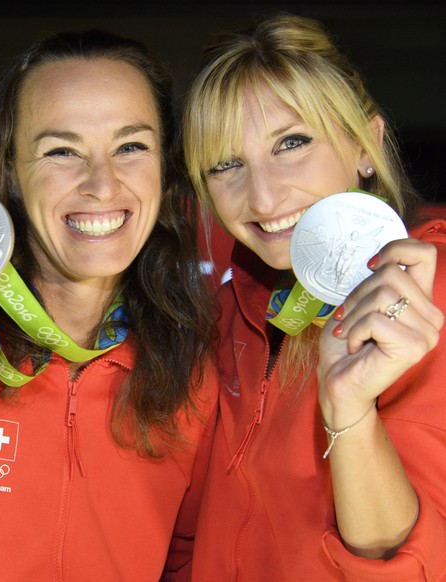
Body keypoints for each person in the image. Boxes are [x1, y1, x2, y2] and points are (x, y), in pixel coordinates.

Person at [0, 30, 219, 581]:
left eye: (131, 146)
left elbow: (187, 561)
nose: (102, 185)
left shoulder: (191, 367)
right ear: (10, 169)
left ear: (165, 170)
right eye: (62, 151)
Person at [183, 13, 446, 580]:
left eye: (292, 143)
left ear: (364, 146)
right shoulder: (234, 309)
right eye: (227, 164)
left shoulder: (430, 296)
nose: (263, 194)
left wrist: (349, 410)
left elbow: (414, 563)